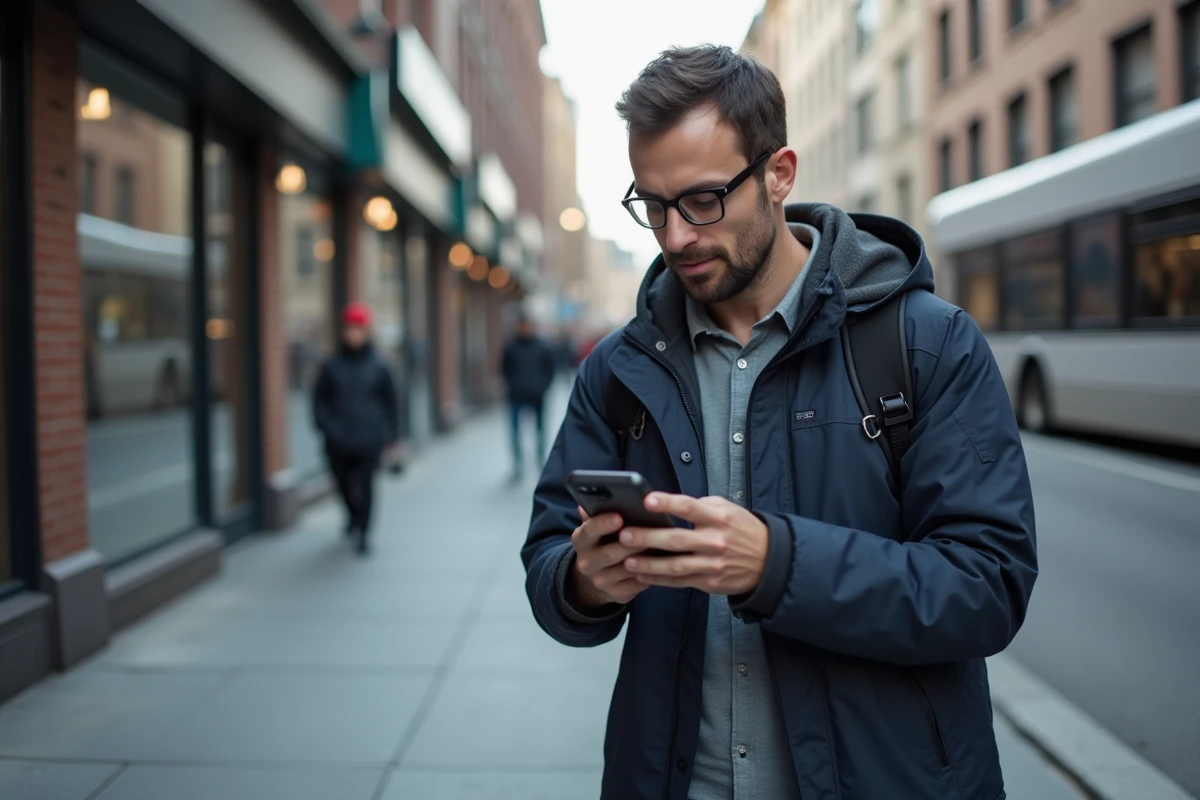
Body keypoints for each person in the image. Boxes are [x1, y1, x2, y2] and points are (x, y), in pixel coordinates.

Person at [521, 44, 1038, 800]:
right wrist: (586, 583)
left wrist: (776, 565)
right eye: (653, 204)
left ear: (778, 174)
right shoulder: (619, 368)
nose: (674, 237)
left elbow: (987, 587)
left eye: (702, 200)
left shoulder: (927, 342)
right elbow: (546, 566)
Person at [313, 302, 399, 556]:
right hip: (338, 441)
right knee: (341, 485)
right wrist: (327, 427)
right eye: (350, 329)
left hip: (369, 439)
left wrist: (391, 435)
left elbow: (391, 403)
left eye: (359, 329)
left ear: (366, 331)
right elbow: (319, 402)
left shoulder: (380, 366)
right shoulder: (331, 365)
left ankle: (363, 532)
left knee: (366, 486)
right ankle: (352, 516)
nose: (354, 334)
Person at [501, 314, 558, 481]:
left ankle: (540, 460)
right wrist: (512, 385)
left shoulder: (542, 347)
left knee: (540, 430)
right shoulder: (510, 346)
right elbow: (505, 369)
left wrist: (543, 387)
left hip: (537, 395)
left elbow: (550, 369)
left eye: (527, 325)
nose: (524, 329)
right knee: (515, 431)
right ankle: (518, 464)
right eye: (522, 325)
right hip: (516, 396)